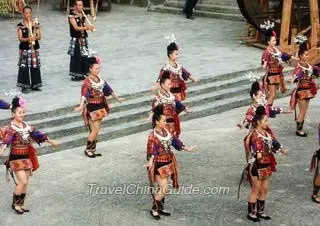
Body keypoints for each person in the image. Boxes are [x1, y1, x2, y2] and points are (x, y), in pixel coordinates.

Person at [0, 97, 59, 214]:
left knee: (26, 181)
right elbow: (7, 140)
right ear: (13, 114)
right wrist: (2, 148)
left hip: (26, 157)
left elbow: (38, 135)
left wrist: (51, 141)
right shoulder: (11, 128)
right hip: (16, 158)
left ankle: (20, 204)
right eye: (20, 113)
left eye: (23, 112)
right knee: (23, 181)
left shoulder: (27, 126)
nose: (22, 115)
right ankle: (15, 204)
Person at [144, 105, 196, 220]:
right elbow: (152, 151)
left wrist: (186, 148)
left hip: (168, 161)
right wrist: (150, 162)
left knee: (162, 188)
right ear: (157, 122)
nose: (165, 122)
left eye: (165, 120)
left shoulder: (165, 132)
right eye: (163, 121)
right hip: (158, 163)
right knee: (164, 188)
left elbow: (174, 141)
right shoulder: (153, 136)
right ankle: (154, 209)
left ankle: (160, 208)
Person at [239, 106, 288, 222]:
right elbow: (258, 152)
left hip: (266, 165)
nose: (267, 123)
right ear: (258, 122)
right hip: (257, 165)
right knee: (256, 189)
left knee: (264, 189)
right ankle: (251, 213)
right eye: (265, 121)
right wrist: (266, 152)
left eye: (267, 121)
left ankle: (260, 211)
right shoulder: (255, 135)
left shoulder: (266, 133)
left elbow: (274, 143)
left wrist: (282, 150)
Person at [74, 57, 125, 158]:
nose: (98, 70)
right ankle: (88, 149)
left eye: (98, 68)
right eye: (96, 69)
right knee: (95, 130)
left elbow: (108, 90)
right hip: (92, 107)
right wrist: (80, 106)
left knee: (96, 130)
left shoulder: (100, 80)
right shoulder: (87, 82)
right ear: (90, 69)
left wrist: (117, 99)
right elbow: (84, 95)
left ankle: (92, 149)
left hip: (100, 105)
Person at [260, 21, 297, 106]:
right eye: (273, 41)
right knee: (272, 94)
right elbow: (264, 62)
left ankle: (268, 108)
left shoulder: (276, 50)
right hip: (271, 75)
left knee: (273, 94)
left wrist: (295, 58)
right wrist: (265, 64)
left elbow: (284, 55)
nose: (274, 42)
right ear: (268, 42)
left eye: (275, 41)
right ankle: (266, 110)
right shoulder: (267, 52)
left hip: (277, 74)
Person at [289, 37, 320, 137]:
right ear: (301, 56)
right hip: (301, 91)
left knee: (304, 111)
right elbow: (296, 74)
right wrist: (295, 78)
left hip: (308, 90)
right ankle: (299, 130)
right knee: (302, 111)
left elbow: (314, 70)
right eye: (306, 55)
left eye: (307, 54)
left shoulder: (307, 65)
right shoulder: (299, 66)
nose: (307, 56)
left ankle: (300, 127)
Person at [147, 71, 191, 137]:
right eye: (168, 84)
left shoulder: (171, 95)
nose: (170, 86)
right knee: (166, 136)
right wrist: (150, 116)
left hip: (172, 119)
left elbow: (178, 103)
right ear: (162, 85)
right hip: (164, 121)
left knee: (172, 136)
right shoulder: (158, 97)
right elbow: (154, 108)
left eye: (170, 84)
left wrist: (185, 109)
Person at [17, 6, 42, 93]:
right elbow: (20, 38)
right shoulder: (21, 25)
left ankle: (35, 85)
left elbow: (39, 36)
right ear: (23, 14)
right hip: (24, 49)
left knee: (35, 66)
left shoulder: (35, 24)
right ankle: (24, 86)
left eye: (29, 13)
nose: (28, 15)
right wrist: (28, 39)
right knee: (24, 67)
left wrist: (34, 37)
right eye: (26, 13)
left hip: (34, 48)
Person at [68, 0, 95, 81]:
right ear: (75, 6)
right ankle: (76, 74)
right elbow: (76, 27)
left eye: (81, 5)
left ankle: (84, 72)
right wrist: (87, 28)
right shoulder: (71, 15)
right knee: (77, 56)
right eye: (79, 5)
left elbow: (83, 24)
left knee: (85, 54)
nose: (81, 7)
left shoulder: (83, 14)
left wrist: (89, 26)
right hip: (76, 38)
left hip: (83, 37)